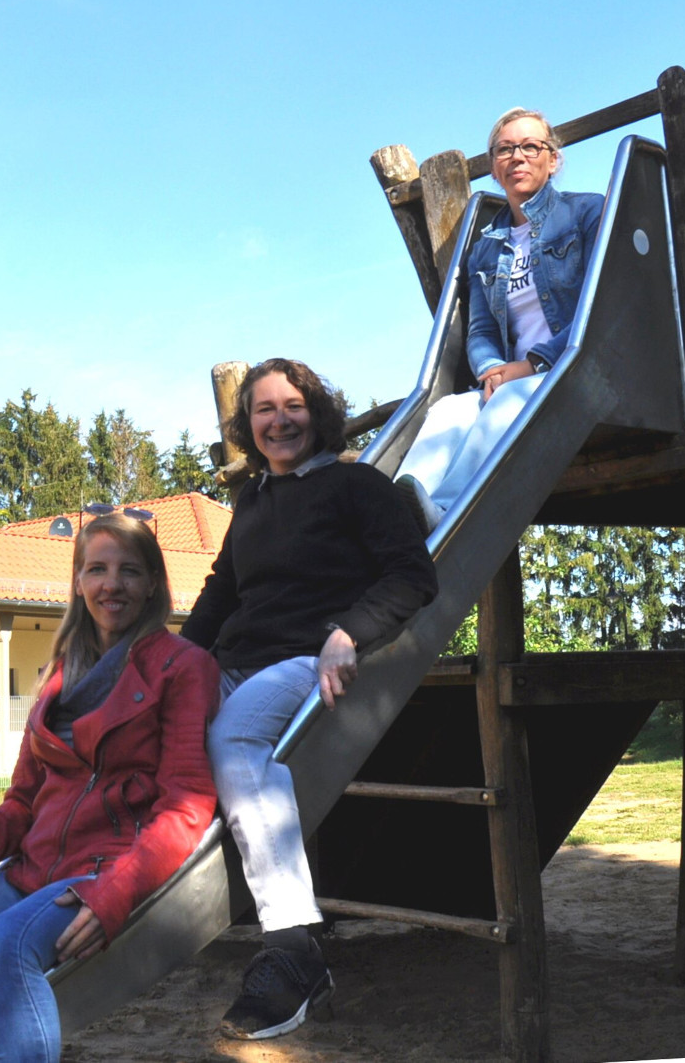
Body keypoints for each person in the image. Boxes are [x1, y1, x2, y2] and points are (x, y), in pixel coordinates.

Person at [0, 511, 221, 1063]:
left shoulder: (182, 666)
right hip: (25, 876)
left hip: (100, 876)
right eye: (96, 570)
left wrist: (117, 892)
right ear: (78, 581)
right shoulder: (59, 675)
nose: (111, 585)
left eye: (129, 571)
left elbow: (186, 806)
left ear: (153, 584)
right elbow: (21, 805)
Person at [182, 358, 438, 1041]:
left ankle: (293, 950)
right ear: (248, 426)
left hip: (308, 658)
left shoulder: (356, 486)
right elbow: (218, 594)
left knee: (232, 737)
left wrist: (348, 632)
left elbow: (412, 574)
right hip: (237, 658)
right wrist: (170, 667)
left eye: (291, 404)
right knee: (149, 726)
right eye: (262, 409)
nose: (278, 418)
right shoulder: (255, 502)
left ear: (315, 412)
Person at [396, 107, 606, 532]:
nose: (518, 156)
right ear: (493, 166)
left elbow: (600, 304)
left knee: (510, 399)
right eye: (506, 149)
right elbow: (481, 329)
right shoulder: (487, 248)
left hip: (573, 372)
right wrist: (491, 368)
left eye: (531, 146)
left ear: (553, 159)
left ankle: (447, 512)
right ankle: (394, 517)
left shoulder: (586, 214)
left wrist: (531, 365)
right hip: (513, 379)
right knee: (448, 411)